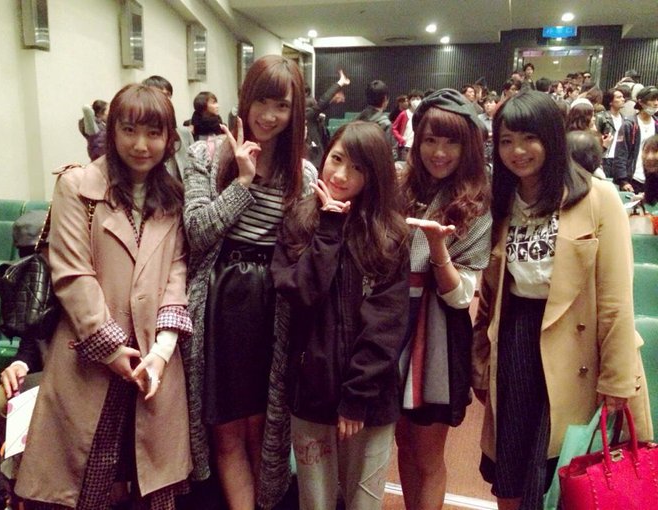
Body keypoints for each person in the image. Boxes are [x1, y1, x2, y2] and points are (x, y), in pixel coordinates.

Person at [16, 83, 194, 509]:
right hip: (91, 360)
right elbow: (72, 273)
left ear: (169, 138)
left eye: (153, 133)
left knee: (151, 486)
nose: (140, 145)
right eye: (129, 130)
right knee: (85, 484)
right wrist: (111, 348)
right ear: (111, 131)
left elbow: (176, 273)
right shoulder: (78, 187)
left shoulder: (172, 198)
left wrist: (162, 351)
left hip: (151, 364)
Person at [472, 91, 652, 510]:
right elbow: (492, 292)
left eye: (529, 138)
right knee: (511, 467)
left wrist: (618, 379)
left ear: (552, 138)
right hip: (516, 340)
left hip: (577, 346)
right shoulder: (502, 201)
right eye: (506, 140)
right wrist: (480, 357)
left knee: (563, 471)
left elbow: (616, 298)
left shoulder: (597, 198)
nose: (517, 151)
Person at [182, 55, 316, 510]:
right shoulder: (205, 155)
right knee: (225, 427)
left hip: (273, 305)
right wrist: (242, 181)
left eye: (282, 105)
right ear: (245, 99)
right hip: (220, 300)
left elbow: (303, 251)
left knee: (264, 427)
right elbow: (197, 232)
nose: (269, 115)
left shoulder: (302, 174)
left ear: (294, 112)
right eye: (262, 101)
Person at [271, 121, 410, 510]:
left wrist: (356, 397)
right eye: (336, 159)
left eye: (357, 168)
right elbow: (301, 292)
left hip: (370, 399)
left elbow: (387, 324)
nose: (341, 175)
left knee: (364, 502)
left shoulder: (389, 233)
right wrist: (329, 229)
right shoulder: (299, 220)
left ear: (374, 175)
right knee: (315, 501)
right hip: (311, 391)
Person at [395, 89, 492, 510]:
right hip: (393, 321)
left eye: (451, 142)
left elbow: (459, 298)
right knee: (402, 442)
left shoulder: (477, 204)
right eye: (430, 140)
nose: (439, 152)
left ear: (467, 145)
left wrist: (437, 248)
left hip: (436, 334)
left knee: (428, 455)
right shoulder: (401, 186)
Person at [142, 75, 195, 181]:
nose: (165, 100)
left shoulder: (183, 133)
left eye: (168, 95)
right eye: (159, 95)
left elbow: (194, 167)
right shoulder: (141, 135)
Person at [614, 86, 658, 193]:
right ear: (641, 102)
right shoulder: (629, 125)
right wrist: (623, 180)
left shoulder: (656, 124)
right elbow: (621, 153)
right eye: (652, 100)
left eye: (657, 100)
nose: (656, 103)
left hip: (652, 179)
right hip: (633, 179)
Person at [305, 69, 350, 168]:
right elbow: (323, 102)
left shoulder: (316, 120)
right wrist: (340, 82)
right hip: (314, 163)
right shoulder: (308, 116)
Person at [596, 87, 627, 177]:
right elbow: (595, 136)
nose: (623, 99)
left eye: (623, 97)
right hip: (605, 157)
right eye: (619, 97)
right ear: (610, 102)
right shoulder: (601, 117)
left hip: (619, 159)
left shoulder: (625, 119)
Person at [392, 89, 423, 162]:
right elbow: (394, 128)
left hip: (417, 148)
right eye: (413, 99)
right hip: (405, 147)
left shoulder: (422, 115)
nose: (416, 101)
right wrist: (401, 139)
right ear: (409, 101)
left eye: (418, 99)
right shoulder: (404, 114)